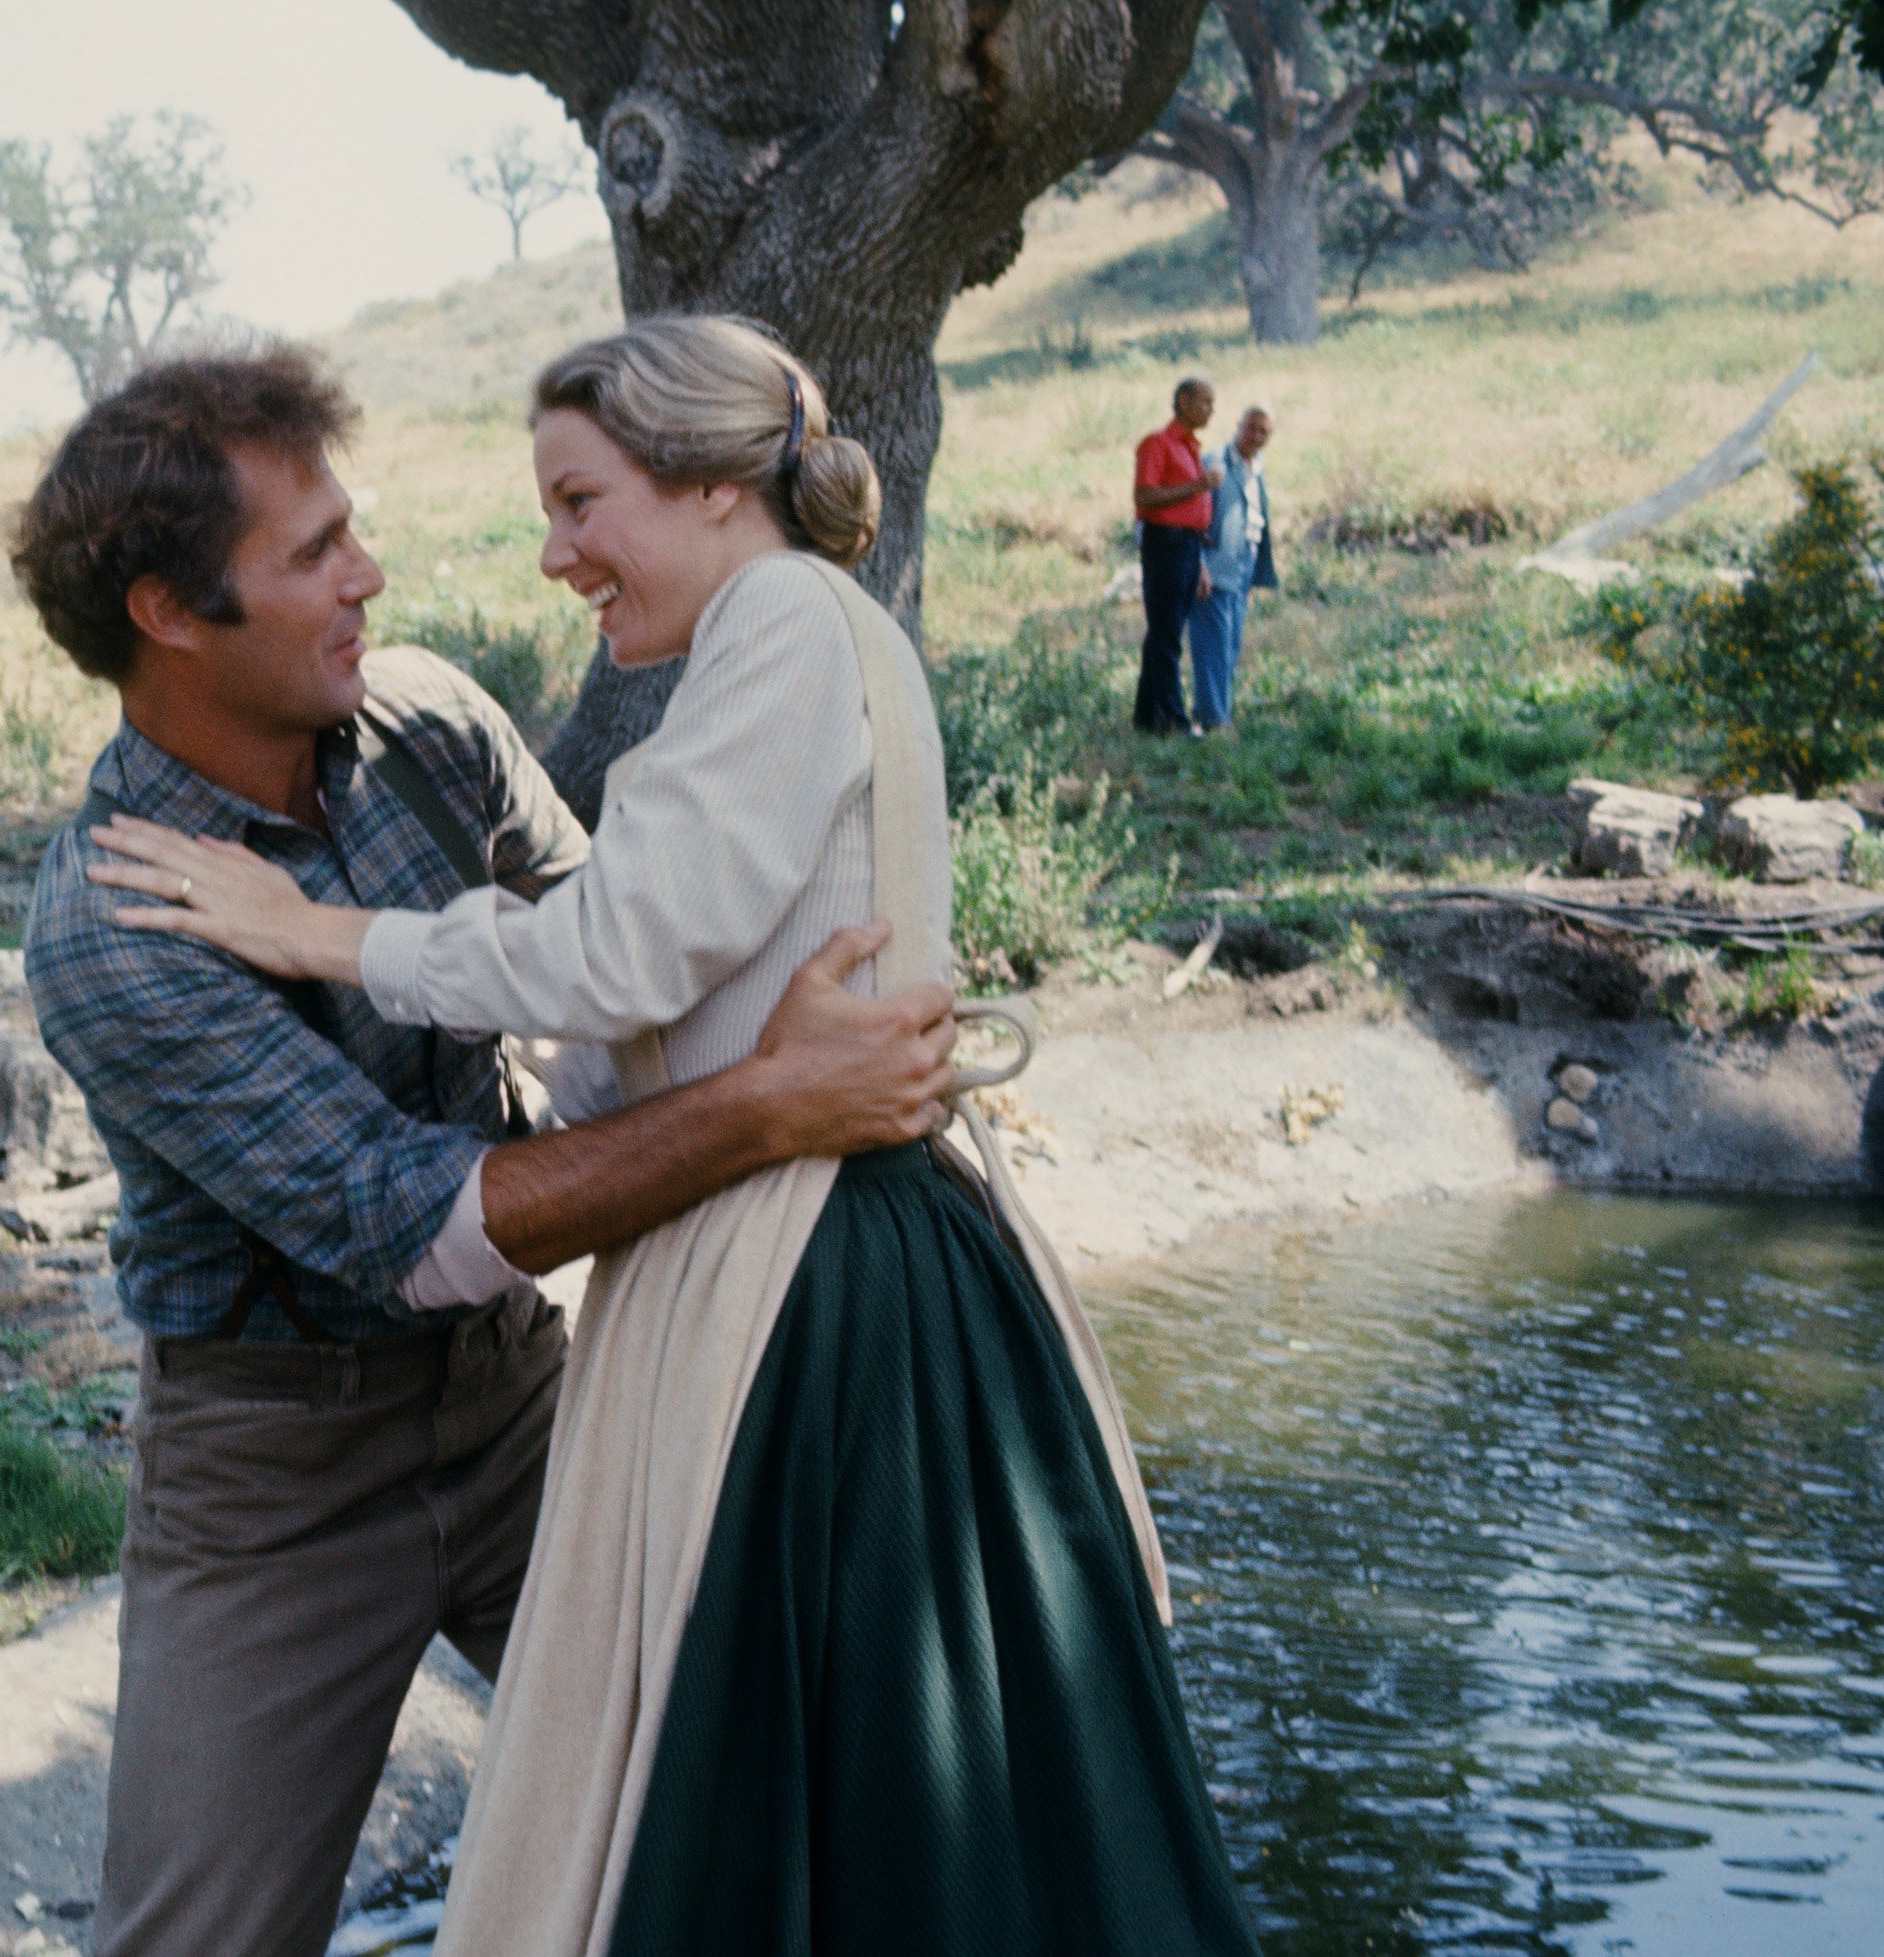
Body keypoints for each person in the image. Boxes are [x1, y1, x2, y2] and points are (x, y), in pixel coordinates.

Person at [93, 319, 1260, 1957]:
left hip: (798, 1265)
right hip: (650, 1286)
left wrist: (322, 933)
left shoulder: (776, 619)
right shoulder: (791, 633)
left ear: (715, 484)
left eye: (583, 499)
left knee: (767, 1784)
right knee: (836, 1782)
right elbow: (621, 1018)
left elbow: (614, 950)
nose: (555, 550)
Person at [9, 343, 965, 1957]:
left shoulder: (432, 721)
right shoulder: (113, 931)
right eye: (314, 555)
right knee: (197, 1939)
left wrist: (800, 1012)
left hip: (522, 1397)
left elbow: (612, 961)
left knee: (790, 1775)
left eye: (350, 529)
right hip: (277, 1474)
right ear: (171, 615)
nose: (368, 575)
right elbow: (414, 1223)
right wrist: (772, 1104)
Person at [1132, 376, 1218, 735]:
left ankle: (1147, 716)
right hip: (1165, 544)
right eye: (1204, 402)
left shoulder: (1190, 448)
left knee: (1164, 631)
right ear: (1183, 401)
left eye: (1212, 404)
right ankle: (1174, 719)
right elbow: (1145, 497)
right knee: (1167, 636)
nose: (1210, 411)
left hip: (1189, 546)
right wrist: (1198, 487)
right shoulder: (1158, 444)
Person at [1188, 404, 1276, 733]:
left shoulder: (1256, 468)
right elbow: (1188, 519)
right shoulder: (1214, 464)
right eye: (1250, 428)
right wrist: (1198, 566)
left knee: (1230, 644)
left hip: (1244, 565)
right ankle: (1215, 722)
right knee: (1213, 643)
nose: (1255, 437)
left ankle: (1210, 709)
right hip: (1214, 567)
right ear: (1237, 425)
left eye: (1263, 432)